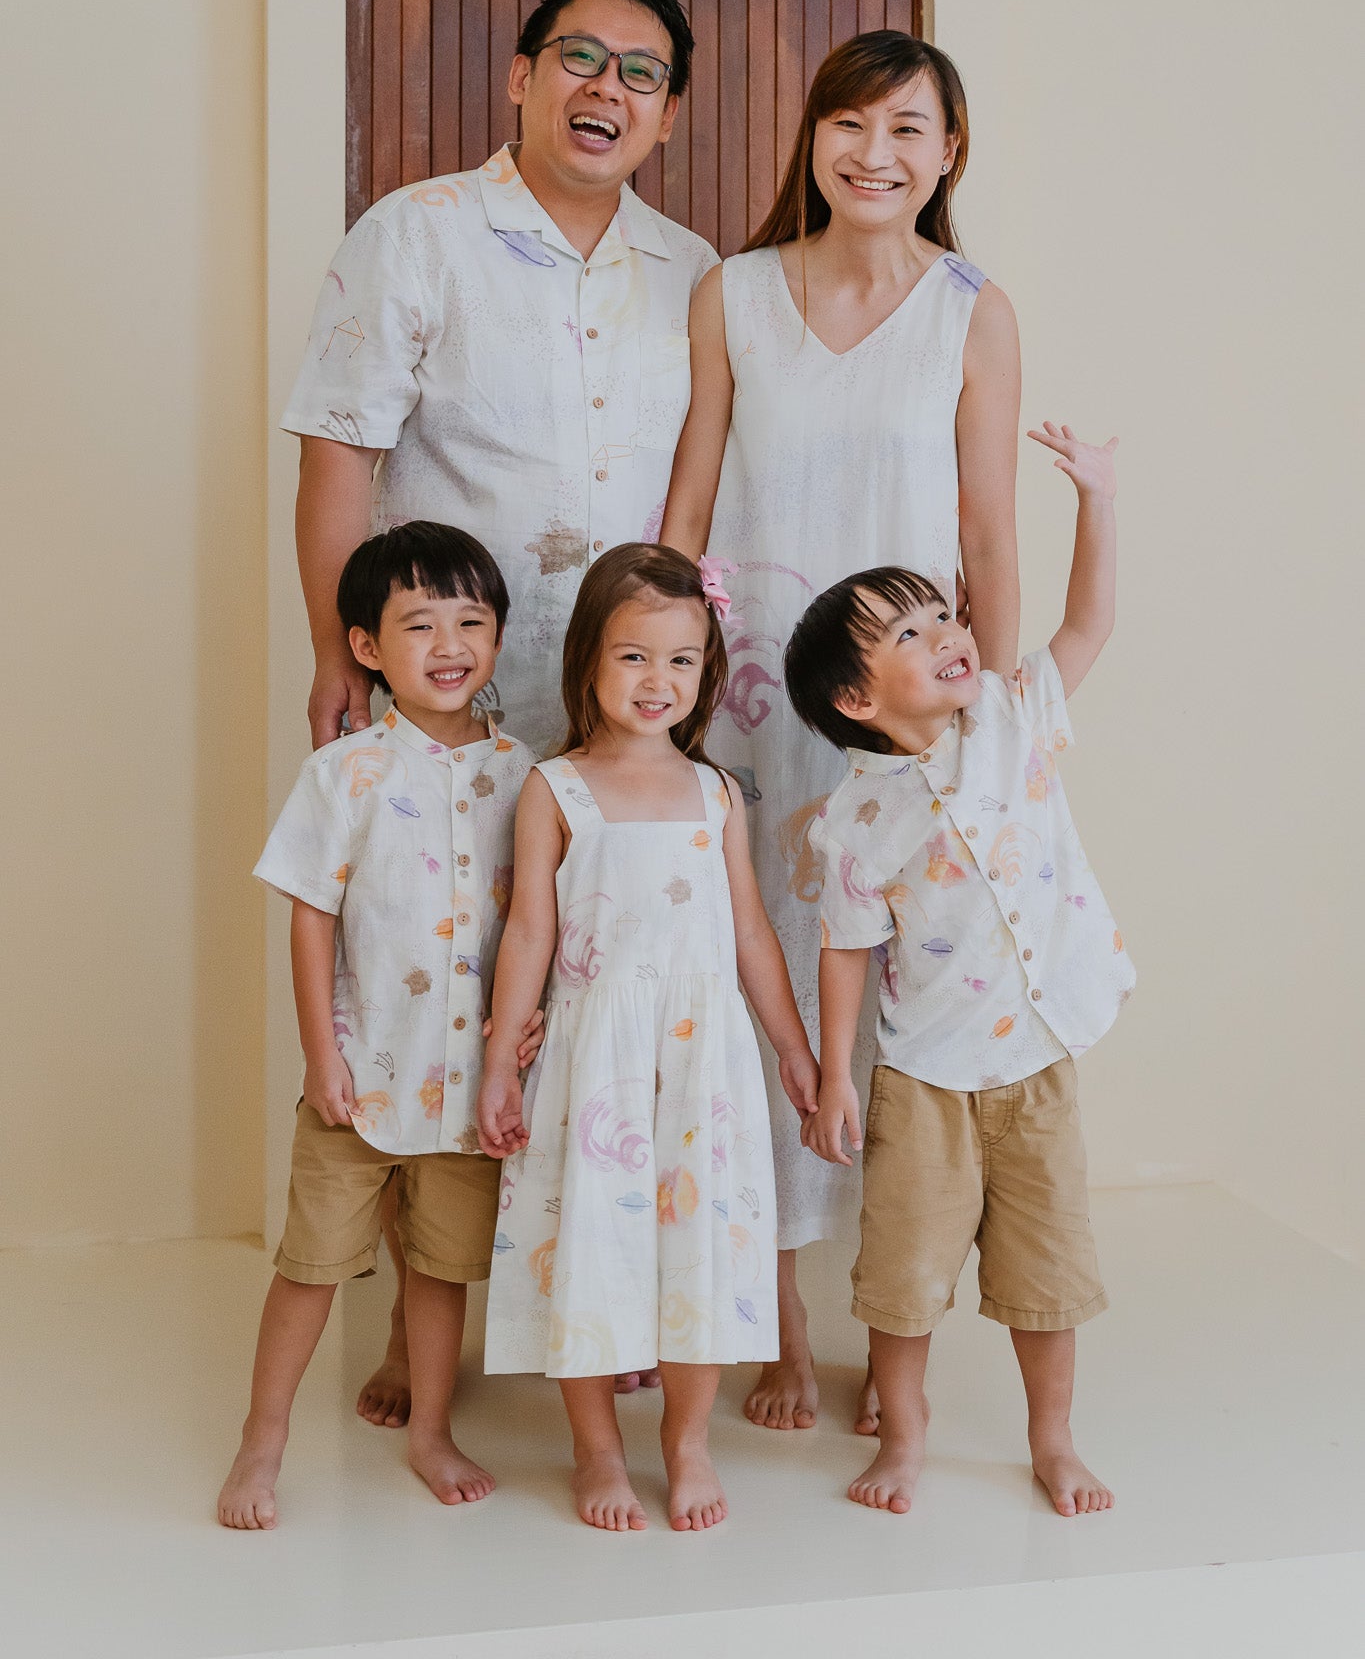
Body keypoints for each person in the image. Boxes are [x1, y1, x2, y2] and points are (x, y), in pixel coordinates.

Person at [282, 0, 717, 1422]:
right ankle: (425, 1341)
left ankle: (604, 1300)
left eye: (643, 74)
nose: (608, 89)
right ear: (522, 77)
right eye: (581, 58)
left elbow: (696, 486)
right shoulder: (416, 234)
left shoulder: (693, 273)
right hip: (448, 699)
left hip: (615, 713)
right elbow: (339, 448)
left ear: (668, 114)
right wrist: (330, 650)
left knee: (597, 994)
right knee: (435, 984)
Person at [661, 31, 1020, 1433]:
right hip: (754, 710)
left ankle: (894, 1326)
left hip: (908, 726)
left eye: (907, 128)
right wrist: (668, 696)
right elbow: (690, 502)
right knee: (763, 990)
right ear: (811, 136)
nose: (875, 153)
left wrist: (988, 724)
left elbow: (986, 531)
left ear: (948, 153)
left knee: (900, 1007)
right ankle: (781, 1325)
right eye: (850, 123)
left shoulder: (973, 311)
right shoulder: (735, 293)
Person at [790, 421, 1131, 1518]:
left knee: (1046, 1273)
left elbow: (1090, 621)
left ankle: (1052, 1439)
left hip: (1036, 1055)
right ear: (857, 699)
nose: (947, 631)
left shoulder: (1014, 717)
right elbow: (846, 949)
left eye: (943, 613)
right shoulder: (853, 820)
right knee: (903, 1278)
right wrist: (834, 1077)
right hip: (926, 1076)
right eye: (910, 630)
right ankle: (905, 1434)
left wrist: (1096, 497)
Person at [476, 545, 819, 1532]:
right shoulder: (556, 788)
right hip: (597, 1062)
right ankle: (595, 1448)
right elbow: (528, 932)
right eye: (632, 656)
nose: (655, 679)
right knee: (590, 1242)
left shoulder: (715, 793)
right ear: (587, 658)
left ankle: (687, 1439)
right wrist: (500, 1061)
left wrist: (792, 1047)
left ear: (706, 669)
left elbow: (749, 931)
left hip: (702, 1062)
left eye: (679, 659)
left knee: (697, 1243)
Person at [217, 523, 543, 1528]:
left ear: (497, 636)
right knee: (310, 1267)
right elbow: (310, 916)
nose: (450, 644)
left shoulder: (525, 772)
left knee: (441, 1272)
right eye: (419, 624)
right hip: (360, 1077)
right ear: (367, 646)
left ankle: (431, 1430)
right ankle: (262, 1438)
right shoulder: (345, 772)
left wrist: (521, 1034)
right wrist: (322, 1055)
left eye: (470, 621)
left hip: (469, 1088)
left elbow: (540, 919)